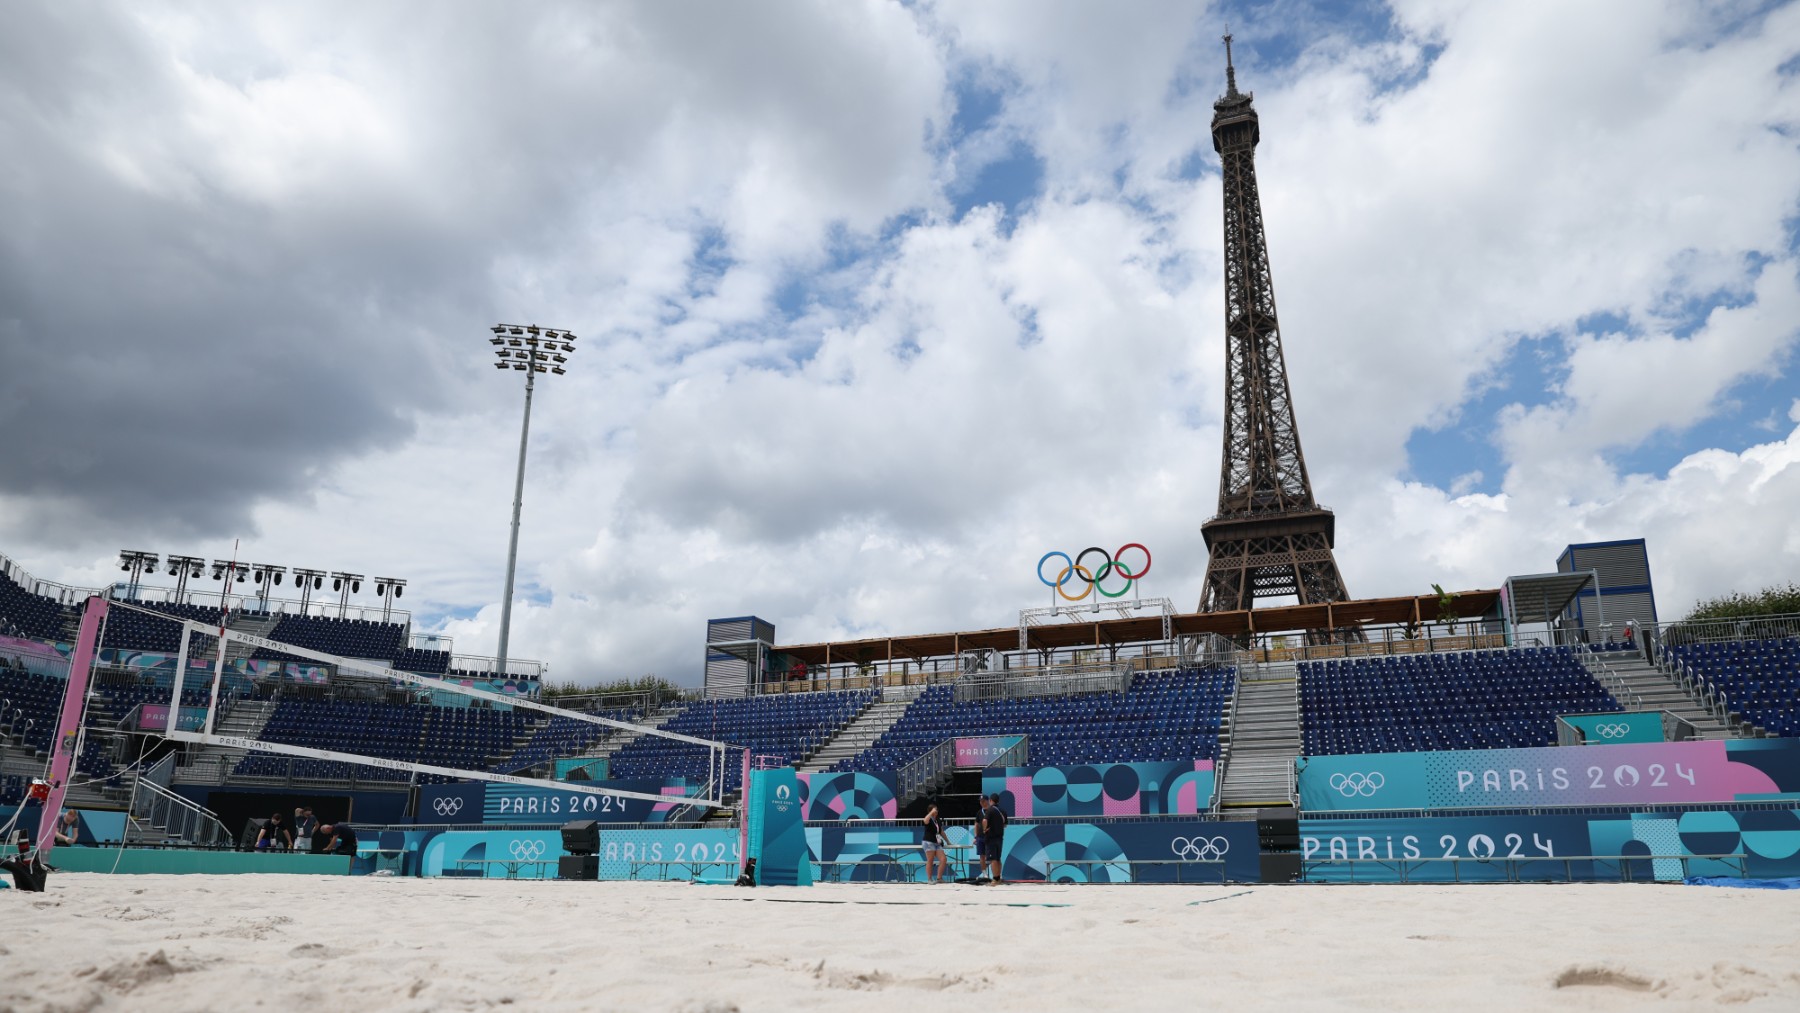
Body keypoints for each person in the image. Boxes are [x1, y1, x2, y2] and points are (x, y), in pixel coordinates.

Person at [979, 794, 1007, 885]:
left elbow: (984, 821)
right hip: (1000, 837)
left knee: (993, 859)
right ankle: (999, 878)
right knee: (998, 858)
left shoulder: (990, 810)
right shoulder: (1002, 810)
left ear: (990, 800)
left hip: (991, 837)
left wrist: (984, 829)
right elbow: (1005, 824)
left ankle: (995, 879)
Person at [920, 802, 948, 884]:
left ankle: (939, 878)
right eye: (934, 809)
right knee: (930, 860)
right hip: (928, 842)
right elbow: (925, 820)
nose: (936, 811)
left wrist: (947, 841)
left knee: (943, 859)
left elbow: (941, 831)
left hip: (937, 842)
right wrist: (931, 813)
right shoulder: (929, 818)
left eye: (936, 809)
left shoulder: (937, 819)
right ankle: (929, 879)